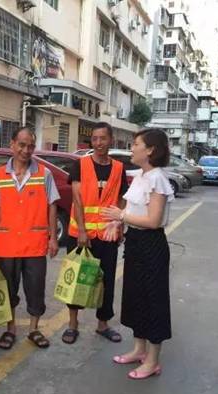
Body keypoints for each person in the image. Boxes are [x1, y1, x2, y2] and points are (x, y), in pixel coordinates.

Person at [102, 128, 174, 380]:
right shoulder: (142, 176)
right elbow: (134, 212)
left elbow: (153, 220)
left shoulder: (158, 179)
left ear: (150, 150)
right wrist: (118, 223)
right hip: (135, 242)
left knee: (153, 300)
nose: (131, 148)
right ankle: (138, 349)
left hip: (151, 245)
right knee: (135, 297)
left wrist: (120, 216)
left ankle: (153, 360)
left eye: (135, 144)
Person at [0, 127, 60, 350]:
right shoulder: (0, 175)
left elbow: (52, 205)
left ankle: (34, 330)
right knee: (8, 289)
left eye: (30, 146)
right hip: (7, 245)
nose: (26, 150)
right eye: (22, 145)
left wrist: (53, 238)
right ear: (12, 145)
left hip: (35, 245)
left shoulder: (43, 174)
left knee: (35, 288)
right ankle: (10, 330)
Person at [61, 122, 128, 345]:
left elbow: (121, 198)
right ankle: (72, 323)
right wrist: (81, 230)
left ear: (111, 140)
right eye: (95, 139)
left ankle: (103, 324)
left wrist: (119, 225)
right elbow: (77, 199)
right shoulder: (81, 164)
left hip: (107, 234)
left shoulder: (119, 168)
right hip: (81, 233)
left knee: (106, 280)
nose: (98, 143)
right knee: (77, 279)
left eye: (103, 138)